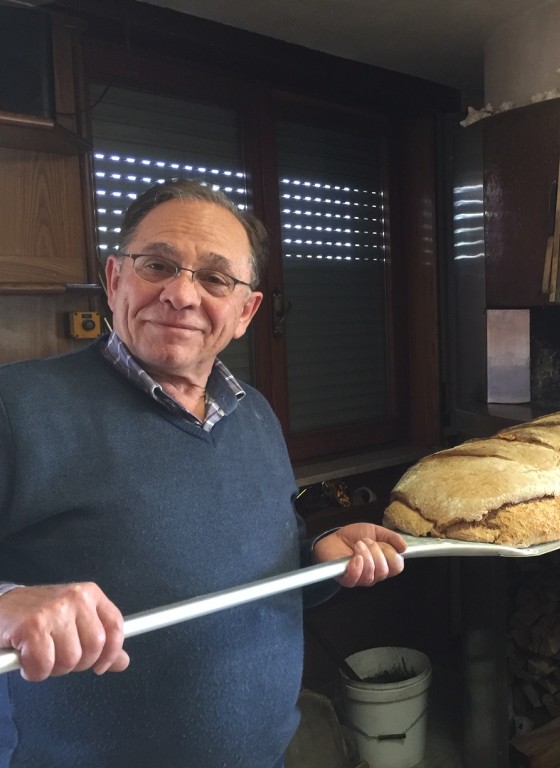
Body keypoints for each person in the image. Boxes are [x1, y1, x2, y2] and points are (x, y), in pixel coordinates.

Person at [0, 179, 408, 768]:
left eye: (214, 278)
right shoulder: (17, 407)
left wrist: (322, 558)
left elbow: (259, 558)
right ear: (115, 280)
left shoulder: (256, 414)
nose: (181, 294)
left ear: (245, 312)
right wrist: (10, 603)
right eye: (158, 265)